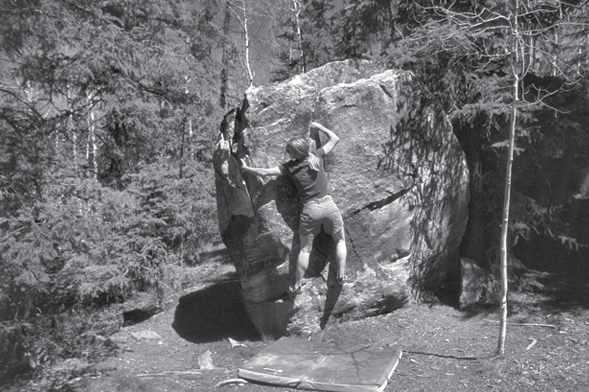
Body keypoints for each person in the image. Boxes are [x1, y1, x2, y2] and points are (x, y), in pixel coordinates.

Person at [240, 122, 347, 294]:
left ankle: (297, 285)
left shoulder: (290, 167)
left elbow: (265, 173)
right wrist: (319, 127)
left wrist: (246, 168)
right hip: (328, 205)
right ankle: (341, 274)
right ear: (306, 148)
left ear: (292, 153)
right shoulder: (316, 156)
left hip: (310, 210)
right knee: (340, 241)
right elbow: (335, 138)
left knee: (305, 249)